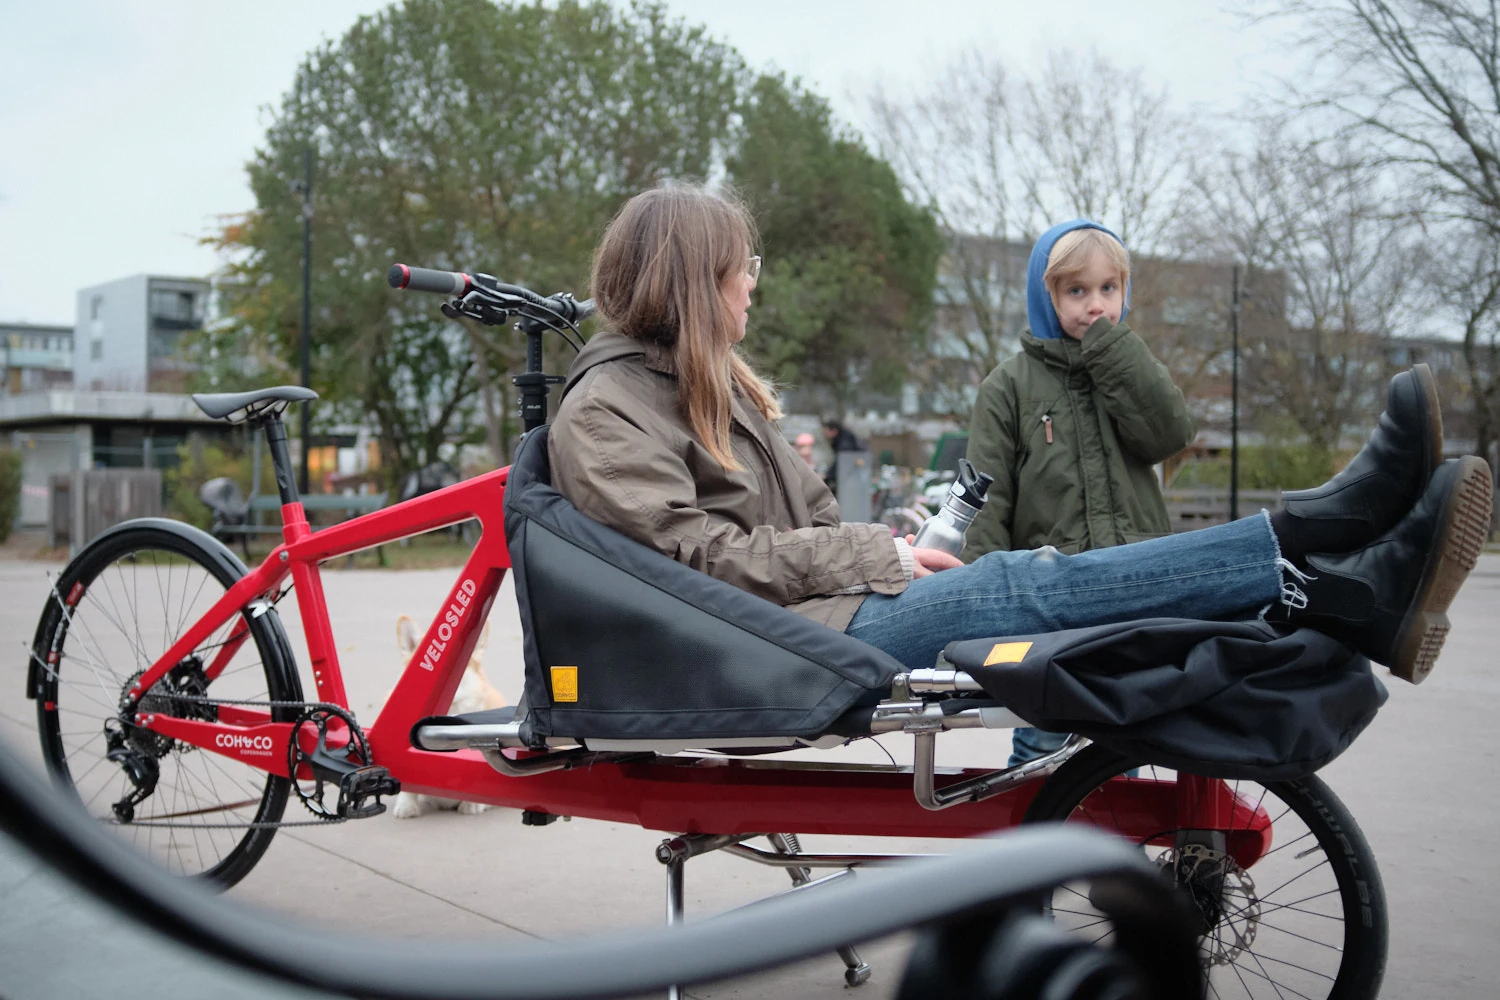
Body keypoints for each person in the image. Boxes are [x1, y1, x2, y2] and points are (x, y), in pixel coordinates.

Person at [548, 183, 1487, 695]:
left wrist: (896, 556)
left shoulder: (708, 391)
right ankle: (1327, 543)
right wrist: (876, 551)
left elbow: (803, 528)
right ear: (690, 280)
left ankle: (1345, 592)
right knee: (1023, 579)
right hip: (773, 646)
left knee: (1036, 580)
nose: (752, 282)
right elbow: (693, 561)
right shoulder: (608, 408)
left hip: (813, 618)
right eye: (739, 268)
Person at [964, 219, 1197, 767]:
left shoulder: (1128, 368)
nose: (1095, 305)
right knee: (1044, 732)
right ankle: (1037, 847)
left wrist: (1112, 354)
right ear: (1045, 297)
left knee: (1126, 732)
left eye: (1107, 289)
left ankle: (1123, 844)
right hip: (1051, 596)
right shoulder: (1010, 386)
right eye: (1076, 291)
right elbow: (987, 498)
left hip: (1132, 585)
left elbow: (1169, 434)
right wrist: (990, 602)